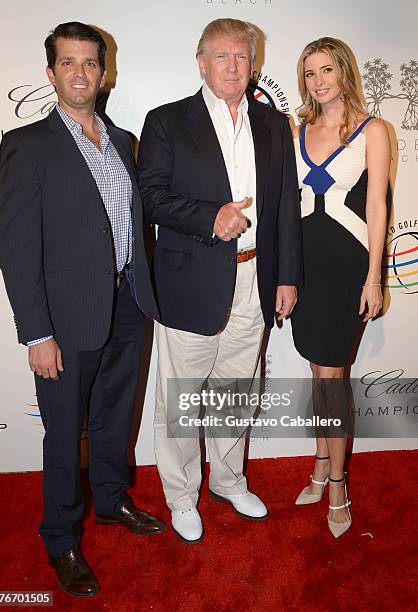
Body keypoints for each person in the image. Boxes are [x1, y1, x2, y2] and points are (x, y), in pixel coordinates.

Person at [0, 22, 165, 597]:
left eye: (90, 63)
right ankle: (62, 537)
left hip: (127, 305)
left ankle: (113, 501)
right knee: (66, 432)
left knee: (116, 418)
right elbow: (17, 250)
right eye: (67, 63)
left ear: (103, 72)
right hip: (65, 319)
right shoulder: (26, 146)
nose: (80, 73)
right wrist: (36, 332)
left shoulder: (121, 142)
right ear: (51, 73)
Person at [137, 18, 302, 543]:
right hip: (190, 282)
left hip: (257, 278)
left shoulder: (275, 125)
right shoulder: (166, 121)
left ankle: (230, 481)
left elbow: (285, 206)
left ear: (253, 64)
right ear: (202, 62)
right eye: (222, 57)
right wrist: (211, 218)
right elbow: (151, 195)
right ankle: (182, 496)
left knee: (236, 392)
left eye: (242, 57)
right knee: (182, 400)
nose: (233, 67)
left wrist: (287, 276)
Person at [290, 37, 390, 537]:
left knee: (332, 378)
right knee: (317, 373)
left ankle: (336, 485)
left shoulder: (374, 131)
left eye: (327, 70)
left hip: (346, 267)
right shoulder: (296, 129)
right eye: (310, 73)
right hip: (304, 265)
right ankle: (318, 462)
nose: (319, 81)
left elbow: (377, 209)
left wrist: (375, 277)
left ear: (344, 72)